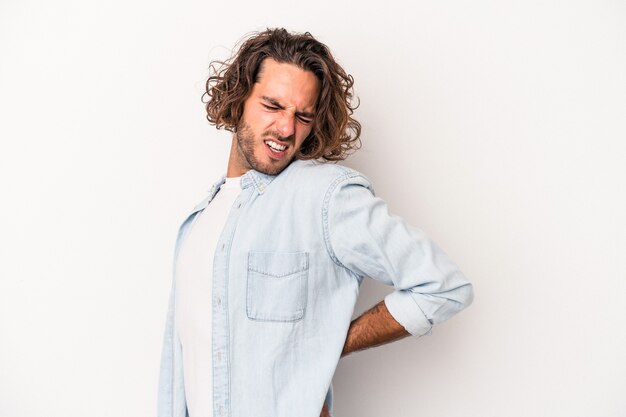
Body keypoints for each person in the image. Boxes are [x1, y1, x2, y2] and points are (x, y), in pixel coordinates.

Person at [157, 28, 474, 417]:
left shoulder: (325, 196)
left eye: (302, 115)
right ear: (239, 99)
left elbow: (442, 286)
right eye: (272, 106)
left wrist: (330, 340)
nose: (287, 129)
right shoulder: (197, 222)